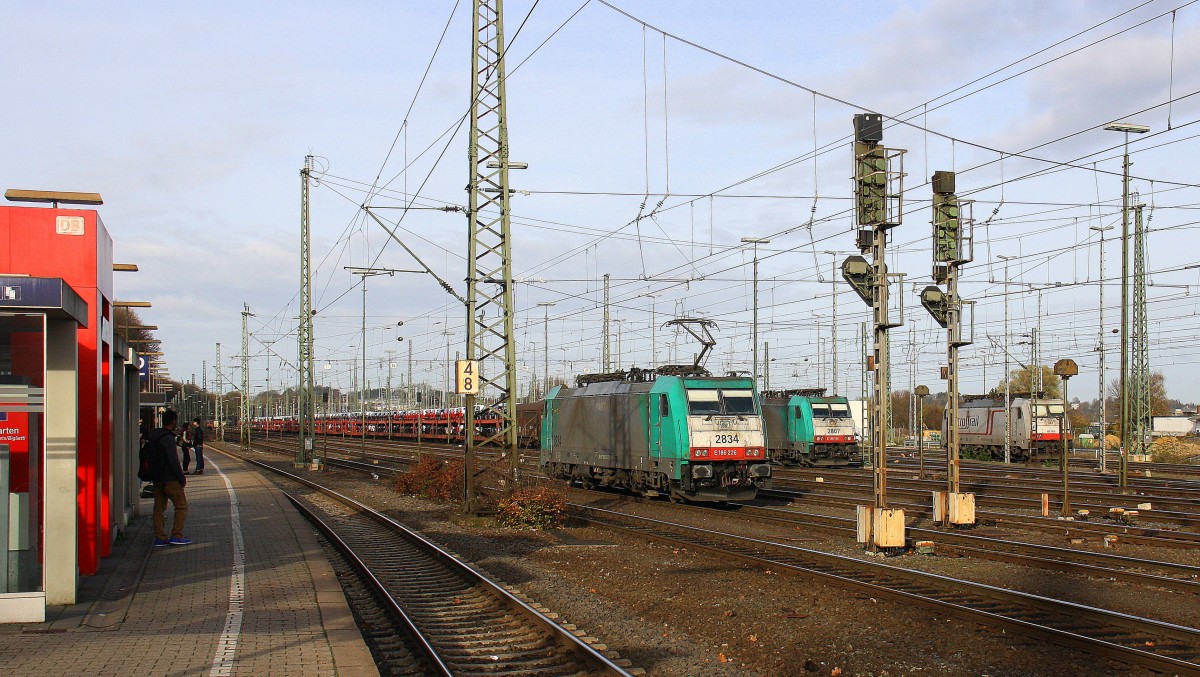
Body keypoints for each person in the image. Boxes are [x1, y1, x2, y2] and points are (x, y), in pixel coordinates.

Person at [149, 409, 191, 547]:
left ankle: (160, 537)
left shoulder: (154, 436)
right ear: (173, 421)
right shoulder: (168, 438)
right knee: (181, 506)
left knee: (158, 508)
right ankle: (177, 535)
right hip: (170, 479)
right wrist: (181, 477)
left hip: (157, 478)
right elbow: (173, 461)